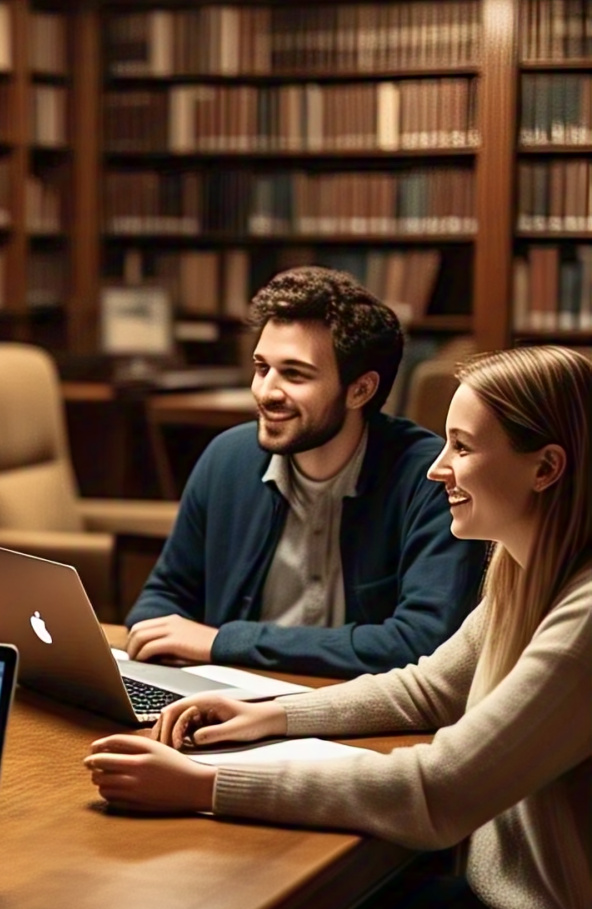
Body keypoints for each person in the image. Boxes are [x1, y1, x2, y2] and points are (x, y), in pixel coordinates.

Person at [86, 345, 592, 909]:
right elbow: (431, 685)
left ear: (545, 468)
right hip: (507, 902)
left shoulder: (584, 613)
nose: (436, 469)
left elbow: (441, 789)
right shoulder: (526, 568)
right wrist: (270, 715)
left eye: (461, 447)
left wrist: (206, 785)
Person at [126, 266, 487, 677]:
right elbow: (162, 599)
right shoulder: (227, 458)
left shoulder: (431, 477)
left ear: (361, 390)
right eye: (262, 368)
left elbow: (422, 642)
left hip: (358, 710)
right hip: (230, 694)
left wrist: (224, 641)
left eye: (294, 374)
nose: (265, 391)